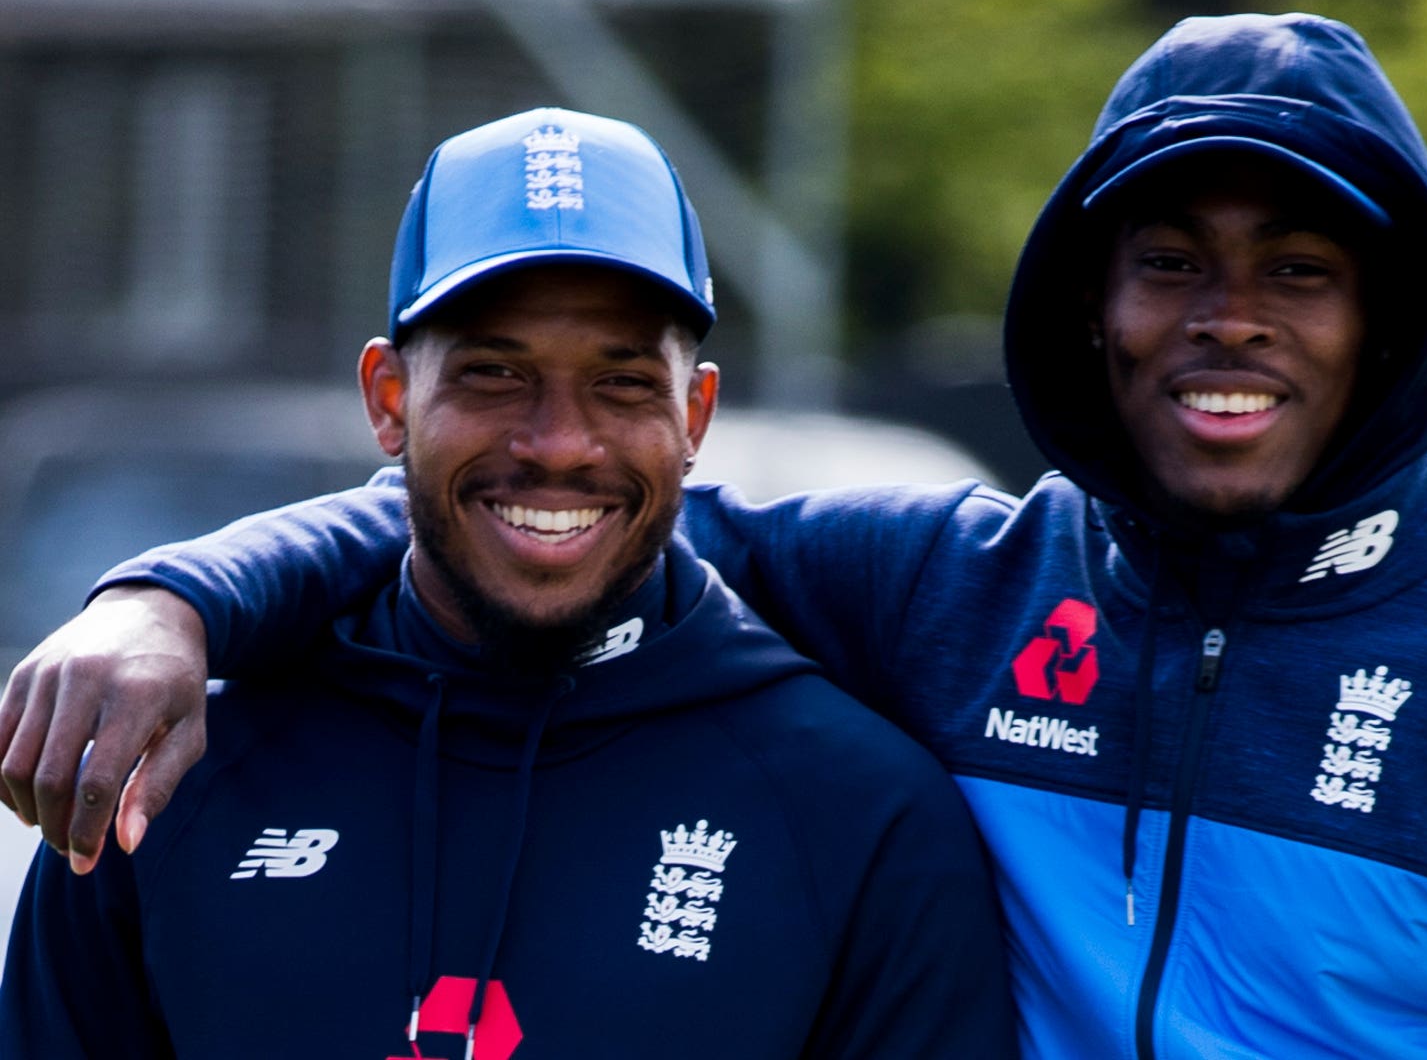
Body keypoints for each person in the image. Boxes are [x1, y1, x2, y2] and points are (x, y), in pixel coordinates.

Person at [6, 13, 1427, 1058]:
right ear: (1092, 308)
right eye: (1170, 258)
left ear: (1388, 321)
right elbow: (543, 507)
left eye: (1299, 270)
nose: (1227, 319)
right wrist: (175, 598)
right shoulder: (951, 590)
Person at [0, 107, 1016, 1059]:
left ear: (695, 418)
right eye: (494, 374)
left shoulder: (860, 811)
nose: (558, 444)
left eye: (622, 383)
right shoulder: (169, 773)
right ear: (390, 400)